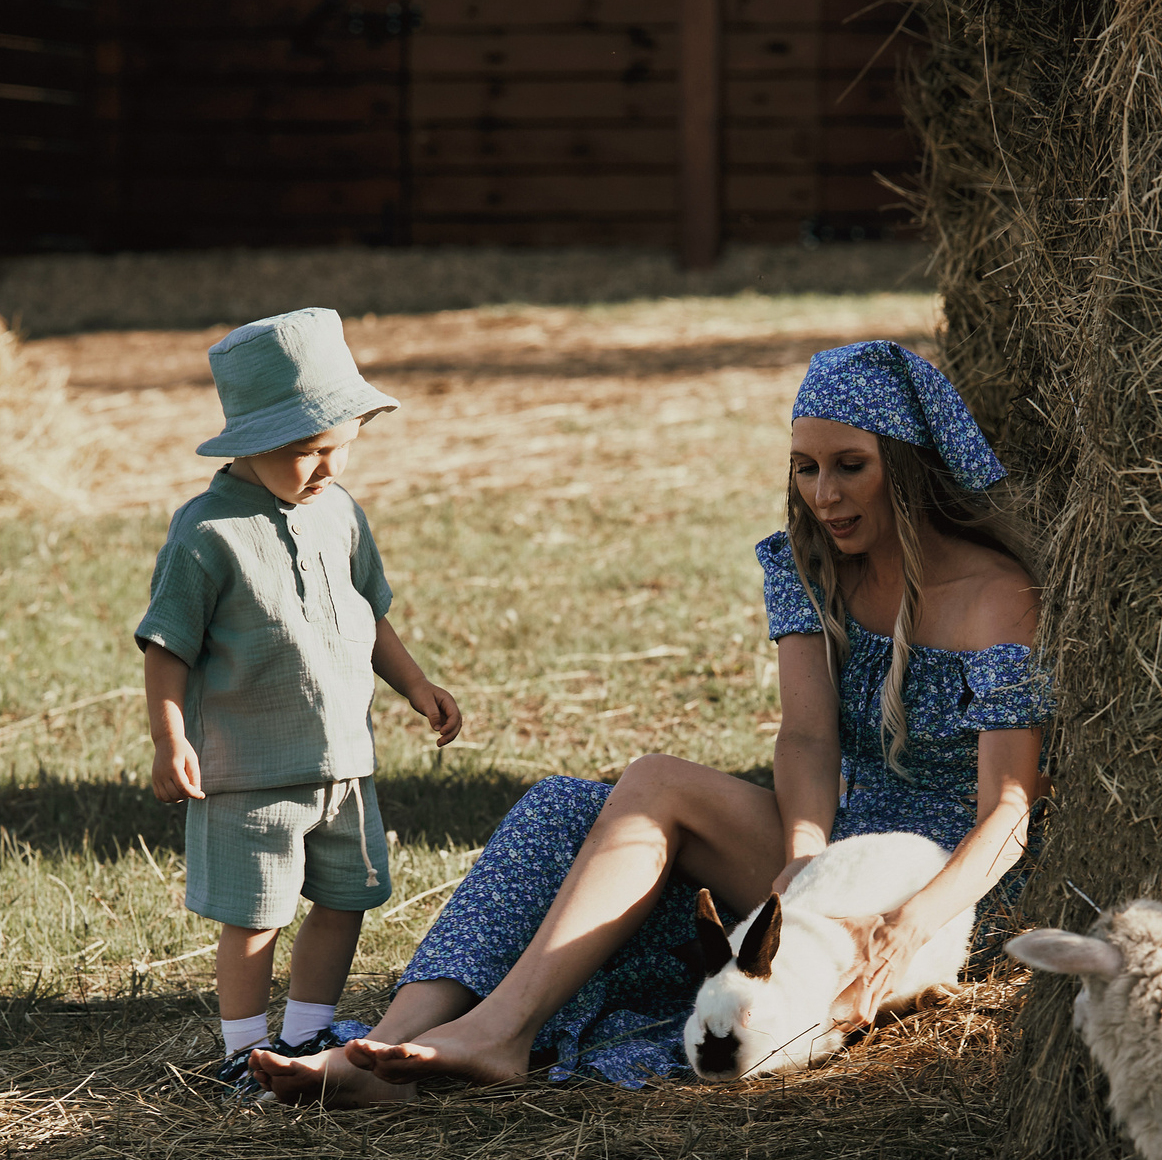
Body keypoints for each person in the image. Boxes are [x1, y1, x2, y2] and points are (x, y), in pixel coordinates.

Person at [250, 340, 1049, 1106]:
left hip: (942, 885)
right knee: (570, 805)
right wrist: (803, 859)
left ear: (906, 468)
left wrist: (908, 924)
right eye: (804, 468)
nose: (823, 495)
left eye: (850, 467)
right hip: (842, 842)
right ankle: (384, 1050)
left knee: (653, 786)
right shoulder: (811, 565)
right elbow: (808, 738)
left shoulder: (995, 598)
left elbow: (1009, 812)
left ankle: (499, 1031)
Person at [137, 307, 463, 1088]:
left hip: (344, 762)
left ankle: (308, 1035)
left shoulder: (341, 514)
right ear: (249, 442)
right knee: (255, 917)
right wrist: (168, 737)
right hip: (250, 770)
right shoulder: (206, 533)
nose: (325, 466)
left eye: (339, 448)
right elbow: (167, 645)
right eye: (306, 451)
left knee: (347, 897)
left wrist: (416, 684)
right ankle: (242, 1053)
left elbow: (368, 611)